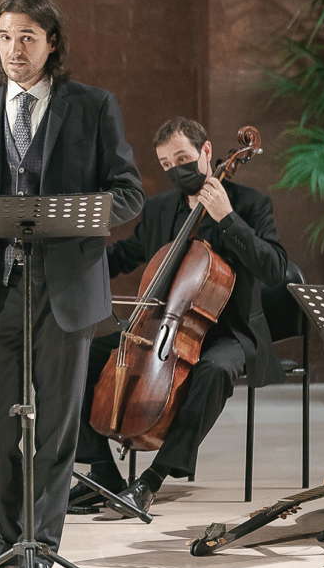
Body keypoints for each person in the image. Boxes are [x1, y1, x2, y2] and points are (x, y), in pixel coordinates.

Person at [0, 0, 144, 568]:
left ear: (52, 43)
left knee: (55, 427)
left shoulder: (92, 106)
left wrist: (84, 218)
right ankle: (5, 545)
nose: (14, 49)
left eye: (27, 37)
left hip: (67, 289)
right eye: (4, 37)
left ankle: (41, 553)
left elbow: (128, 191)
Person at [69, 117, 289, 517]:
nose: (176, 169)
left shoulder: (250, 204)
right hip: (162, 327)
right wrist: (78, 260)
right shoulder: (159, 209)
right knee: (78, 355)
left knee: (214, 371)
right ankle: (102, 474)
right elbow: (129, 253)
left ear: (206, 152)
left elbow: (275, 268)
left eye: (184, 158)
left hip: (230, 332)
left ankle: (152, 479)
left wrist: (227, 218)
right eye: (167, 164)